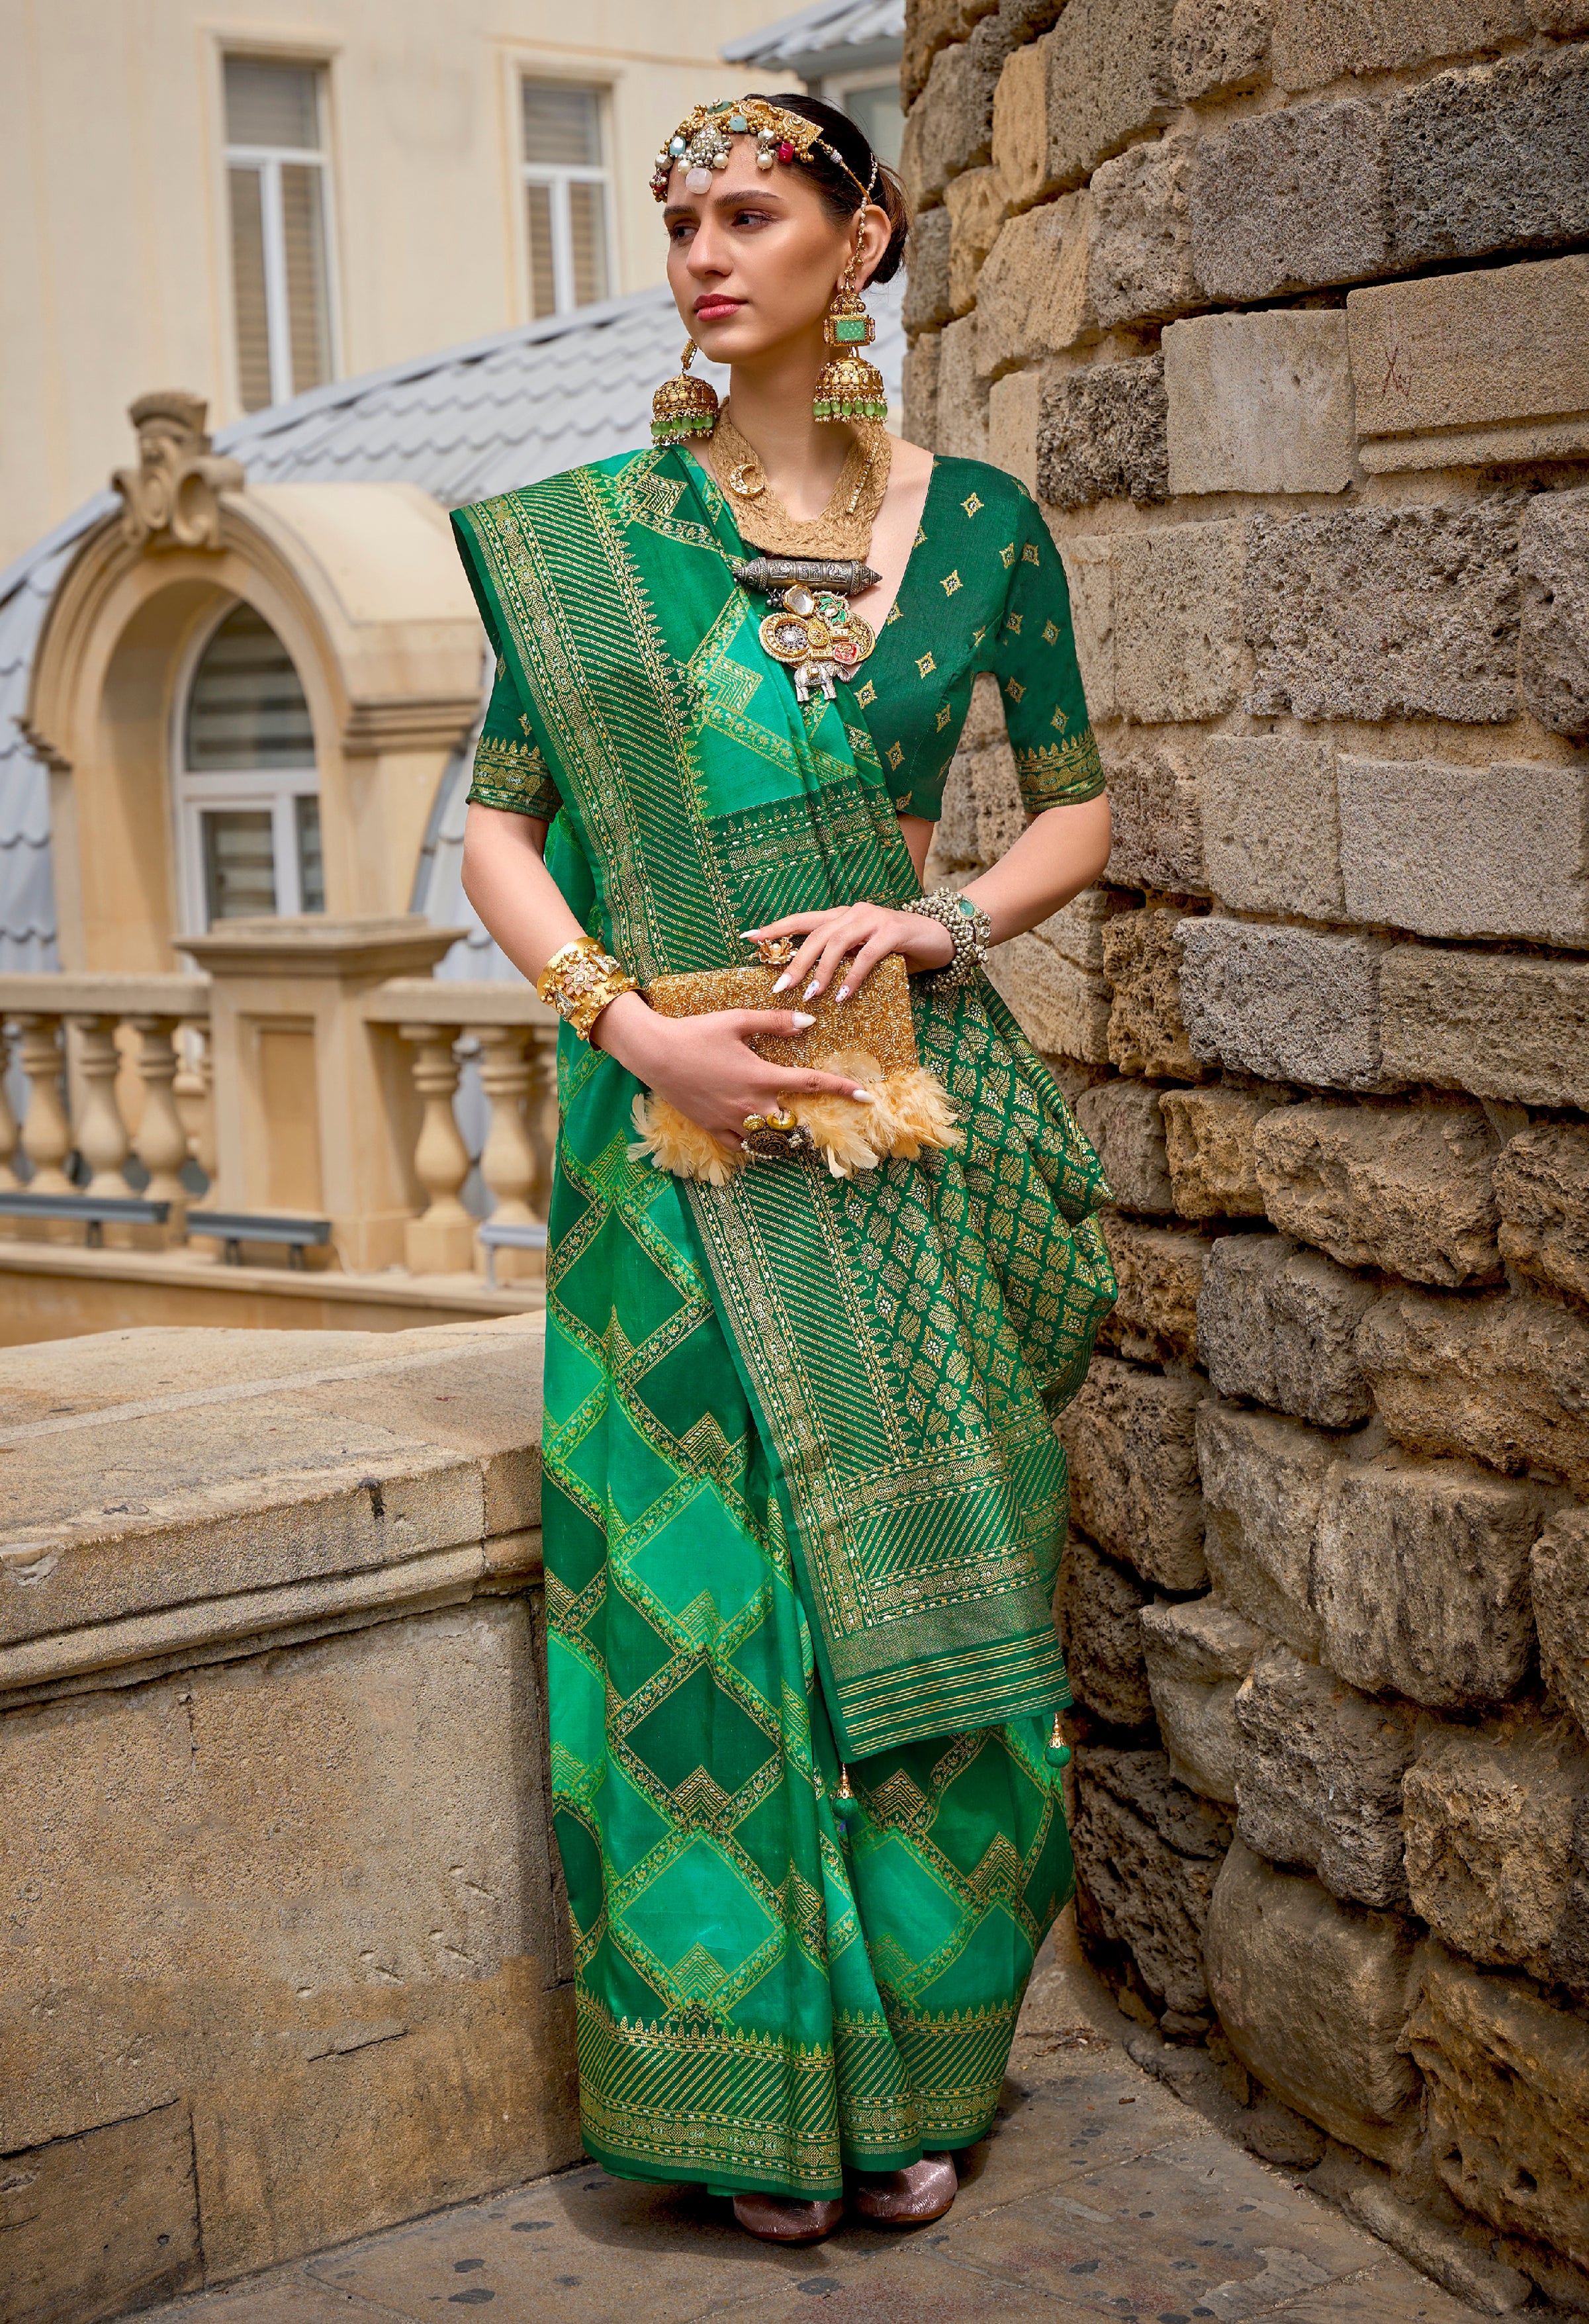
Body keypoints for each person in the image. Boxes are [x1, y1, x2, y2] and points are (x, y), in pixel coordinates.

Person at [453, 92, 1116, 2247]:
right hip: (674, 1158)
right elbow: (494, 822)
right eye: (679, 221)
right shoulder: (599, 538)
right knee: (702, 1615)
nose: (703, 254)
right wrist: (627, 1022)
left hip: (909, 1121)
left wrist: (941, 924)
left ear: (865, 238)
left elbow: (1069, 814)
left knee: (945, 1606)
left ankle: (916, 2069)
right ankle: (750, 2107)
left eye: (748, 212)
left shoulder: (987, 530)